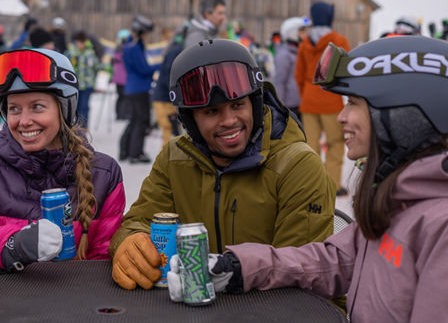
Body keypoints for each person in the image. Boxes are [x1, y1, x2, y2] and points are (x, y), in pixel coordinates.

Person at [177, 36, 448, 323]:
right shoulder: (404, 197)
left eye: (354, 103)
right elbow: (334, 260)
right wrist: (241, 267)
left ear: (401, 113)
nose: (341, 118)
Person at [110, 38, 335, 290]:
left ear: (255, 104)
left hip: (277, 317)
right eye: (211, 112)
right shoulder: (175, 158)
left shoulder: (297, 167)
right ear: (191, 121)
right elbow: (140, 220)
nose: (229, 120)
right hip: (192, 312)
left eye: (238, 105)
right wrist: (129, 242)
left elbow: (299, 275)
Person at [0, 48, 125, 270]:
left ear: (63, 109)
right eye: (14, 109)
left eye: (37, 107)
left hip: (76, 301)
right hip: (1, 300)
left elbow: (103, 264)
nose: (24, 120)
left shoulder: (103, 174)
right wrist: (11, 244)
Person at [295, 1, 351, 196]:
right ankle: (333, 185)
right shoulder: (339, 40)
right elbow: (346, 71)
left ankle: (313, 186)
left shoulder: (304, 44)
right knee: (335, 143)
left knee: (311, 145)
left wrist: (307, 95)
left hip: (309, 100)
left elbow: (299, 75)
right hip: (331, 100)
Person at [119, 14, 158, 164]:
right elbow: (143, 69)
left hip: (133, 87)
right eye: (146, 33)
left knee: (134, 120)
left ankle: (125, 150)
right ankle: (135, 153)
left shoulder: (130, 46)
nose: (147, 37)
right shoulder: (134, 47)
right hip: (139, 88)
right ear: (141, 33)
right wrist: (160, 64)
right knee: (141, 121)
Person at [151, 27, 184, 146]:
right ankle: (167, 161)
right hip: (164, 99)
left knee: (171, 132)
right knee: (169, 131)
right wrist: (175, 94)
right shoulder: (176, 50)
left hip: (166, 97)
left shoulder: (176, 49)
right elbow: (168, 75)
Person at [274, 16, 311, 117]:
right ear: (293, 33)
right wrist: (280, 108)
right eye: (302, 32)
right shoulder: (284, 54)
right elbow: (280, 82)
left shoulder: (300, 52)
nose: (305, 35)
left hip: (301, 103)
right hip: (291, 106)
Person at [67, 30, 102, 127]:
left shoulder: (89, 53)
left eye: (82, 42)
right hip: (75, 85)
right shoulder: (71, 53)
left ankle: (84, 127)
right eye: (79, 42)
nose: (81, 44)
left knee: (85, 107)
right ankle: (75, 126)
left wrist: (106, 67)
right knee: (76, 107)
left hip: (87, 85)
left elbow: (96, 65)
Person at [111, 28, 132, 120]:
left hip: (117, 78)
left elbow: (112, 64)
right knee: (126, 97)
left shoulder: (116, 51)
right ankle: (124, 114)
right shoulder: (128, 50)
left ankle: (119, 114)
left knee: (120, 97)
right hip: (125, 78)